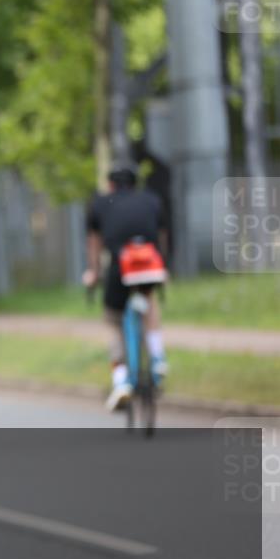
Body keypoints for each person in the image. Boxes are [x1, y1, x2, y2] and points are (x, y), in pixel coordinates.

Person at [83, 161, 169, 411]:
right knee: (149, 301)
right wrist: (163, 267)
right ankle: (157, 356)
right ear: (135, 184)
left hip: (122, 266)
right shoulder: (151, 200)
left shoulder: (100, 203)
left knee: (113, 318)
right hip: (150, 263)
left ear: (110, 184)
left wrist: (94, 274)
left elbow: (94, 244)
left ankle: (120, 381)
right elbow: (162, 236)